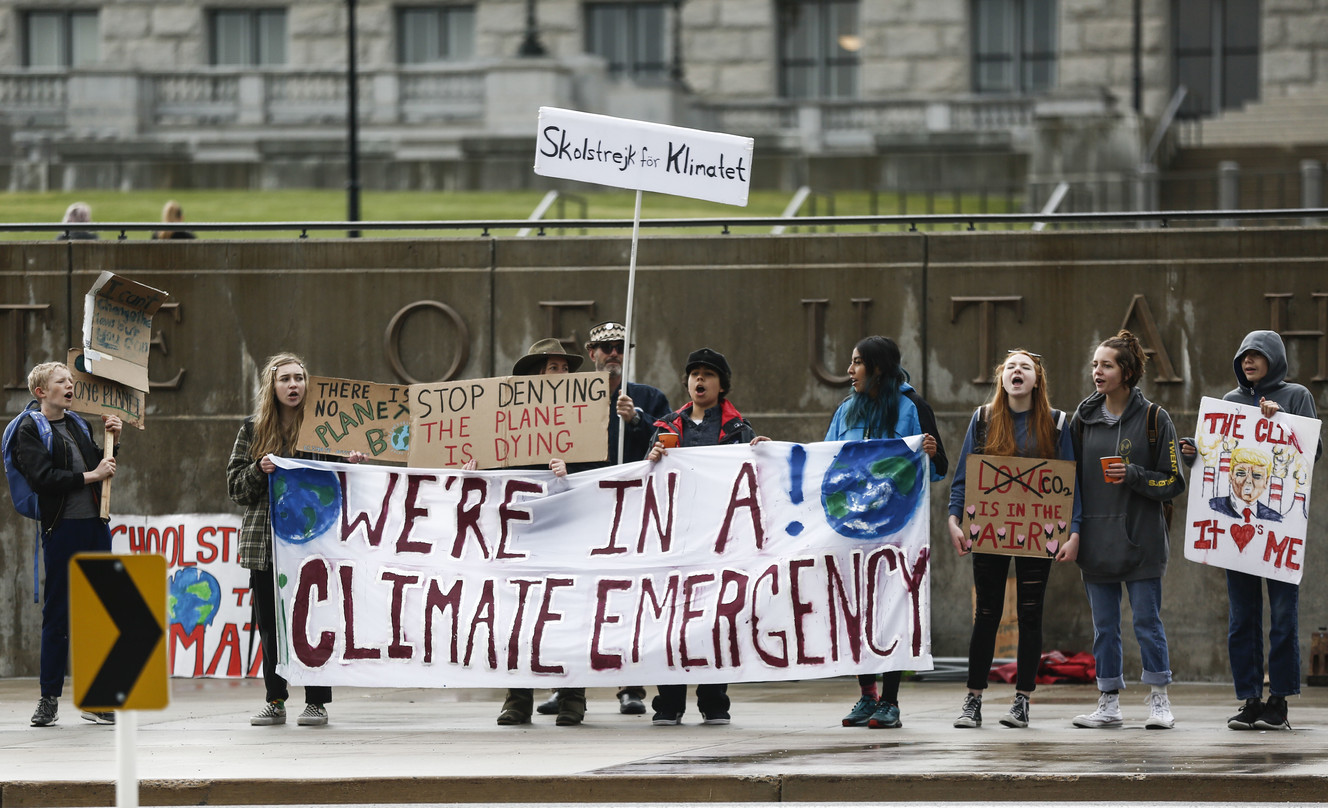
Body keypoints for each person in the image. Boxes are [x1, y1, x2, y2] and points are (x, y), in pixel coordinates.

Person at [1180, 330, 1321, 731]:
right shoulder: (1228, 403)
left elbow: (1313, 453)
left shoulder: (1296, 396)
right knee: (1242, 617)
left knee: (1281, 615)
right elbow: (1217, 460)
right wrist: (1195, 453)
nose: (1248, 362)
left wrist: (1286, 422)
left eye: (1257, 355)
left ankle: (1279, 701)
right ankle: (1249, 699)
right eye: (1243, 356)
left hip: (1279, 529)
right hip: (1235, 531)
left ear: (1274, 359)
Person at [227, 353, 364, 727]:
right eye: (284, 379)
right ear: (272, 387)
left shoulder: (325, 429)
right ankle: (275, 699)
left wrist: (352, 464)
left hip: (314, 546)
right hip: (266, 545)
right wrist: (259, 469)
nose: (293, 385)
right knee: (271, 624)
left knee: (313, 619)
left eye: (299, 378)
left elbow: (343, 487)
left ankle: (316, 701)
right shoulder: (253, 430)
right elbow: (235, 488)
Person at [947, 350, 1081, 729]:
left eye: (1025, 367)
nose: (1017, 372)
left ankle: (1022, 701)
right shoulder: (984, 419)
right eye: (1010, 367)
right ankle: (973, 700)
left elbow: (1071, 485)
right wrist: (954, 519)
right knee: (986, 613)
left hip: (1038, 532)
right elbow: (965, 476)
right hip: (990, 529)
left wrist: (1075, 531)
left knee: (1030, 614)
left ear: (1037, 379)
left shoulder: (1056, 424)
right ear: (1001, 378)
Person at [826, 336, 947, 730]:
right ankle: (867, 696)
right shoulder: (846, 410)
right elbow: (823, 459)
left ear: (878, 368)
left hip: (897, 530)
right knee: (859, 611)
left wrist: (928, 450)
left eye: (857, 362)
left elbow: (941, 465)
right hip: (852, 530)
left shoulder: (914, 408)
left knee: (893, 611)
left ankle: (890, 701)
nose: (849, 370)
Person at [1070, 329, 1185, 730]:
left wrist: (1134, 474)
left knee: (1147, 624)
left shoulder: (1156, 419)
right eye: (1095, 364)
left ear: (1127, 371)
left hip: (1143, 542)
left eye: (1106, 365)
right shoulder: (1081, 422)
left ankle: (1159, 701)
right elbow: (1067, 484)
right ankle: (1108, 702)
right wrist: (1072, 532)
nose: (1097, 371)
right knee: (1104, 628)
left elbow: (1173, 481)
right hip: (1096, 544)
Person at [645, 347, 757, 726]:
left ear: (721, 385)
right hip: (675, 540)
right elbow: (647, 479)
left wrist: (763, 453)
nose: (700, 380)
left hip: (719, 541)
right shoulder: (666, 427)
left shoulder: (739, 430)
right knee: (671, 621)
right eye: (695, 373)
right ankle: (669, 703)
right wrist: (654, 459)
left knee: (715, 619)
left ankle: (714, 701)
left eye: (708, 374)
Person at [11, 362, 121, 727]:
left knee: (99, 614)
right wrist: (94, 474)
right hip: (62, 531)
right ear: (42, 391)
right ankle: (49, 698)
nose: (71, 386)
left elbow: (99, 465)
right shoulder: (29, 429)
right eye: (62, 381)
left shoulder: (77, 424)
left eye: (71, 381)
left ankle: (97, 698)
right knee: (58, 615)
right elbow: (44, 478)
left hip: (95, 527)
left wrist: (113, 441)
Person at [495, 338, 589, 727]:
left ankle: (572, 697)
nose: (563, 374)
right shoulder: (505, 422)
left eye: (567, 369)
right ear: (535, 377)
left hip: (571, 530)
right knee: (520, 615)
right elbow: (494, 476)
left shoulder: (585, 421)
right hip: (524, 533)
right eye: (554, 368)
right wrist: (469, 470)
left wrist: (572, 477)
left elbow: (603, 476)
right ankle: (517, 699)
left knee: (570, 613)